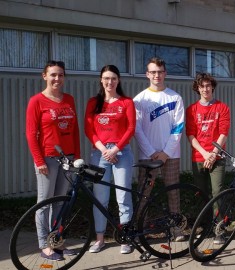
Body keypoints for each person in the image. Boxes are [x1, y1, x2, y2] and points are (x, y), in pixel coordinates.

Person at [25, 60, 81, 261]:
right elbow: (31, 134)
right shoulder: (36, 101)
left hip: (68, 158)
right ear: (45, 76)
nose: (57, 79)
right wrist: (39, 161)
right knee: (45, 202)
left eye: (61, 75)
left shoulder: (69, 99)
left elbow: (74, 130)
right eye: (53, 75)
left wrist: (77, 156)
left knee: (60, 203)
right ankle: (44, 244)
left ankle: (57, 241)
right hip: (48, 158)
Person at [84, 65, 136, 254]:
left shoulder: (126, 102)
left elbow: (131, 128)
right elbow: (88, 129)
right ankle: (99, 238)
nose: (110, 82)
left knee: (123, 197)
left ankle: (125, 238)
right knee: (100, 198)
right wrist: (104, 150)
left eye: (113, 78)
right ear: (101, 80)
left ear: (119, 80)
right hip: (99, 154)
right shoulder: (93, 103)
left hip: (121, 152)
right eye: (106, 78)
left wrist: (114, 149)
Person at [133, 57, 186, 241]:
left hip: (170, 155)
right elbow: (136, 128)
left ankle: (176, 228)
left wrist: (165, 153)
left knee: (173, 192)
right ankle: (141, 230)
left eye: (160, 71)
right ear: (147, 74)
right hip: (147, 155)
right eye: (153, 72)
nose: (157, 75)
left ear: (165, 73)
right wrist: (151, 152)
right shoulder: (139, 99)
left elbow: (178, 127)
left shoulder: (175, 97)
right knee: (143, 194)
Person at [185, 73, 230, 244]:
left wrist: (213, 153)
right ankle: (205, 226)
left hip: (217, 157)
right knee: (201, 193)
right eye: (202, 86)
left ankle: (220, 228)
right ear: (197, 88)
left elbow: (224, 132)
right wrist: (204, 154)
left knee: (217, 192)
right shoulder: (192, 109)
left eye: (208, 85)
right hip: (199, 157)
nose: (205, 88)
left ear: (212, 87)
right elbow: (190, 135)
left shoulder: (222, 107)